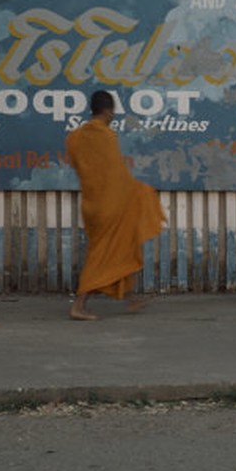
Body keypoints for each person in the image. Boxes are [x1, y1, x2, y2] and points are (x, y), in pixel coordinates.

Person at [66, 90, 165, 321]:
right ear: (109, 111)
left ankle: (130, 298)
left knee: (120, 248)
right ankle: (78, 305)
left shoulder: (75, 137)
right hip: (110, 206)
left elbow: (84, 169)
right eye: (113, 112)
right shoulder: (106, 136)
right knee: (103, 253)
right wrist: (138, 191)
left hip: (91, 205)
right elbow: (116, 174)